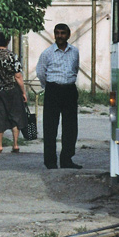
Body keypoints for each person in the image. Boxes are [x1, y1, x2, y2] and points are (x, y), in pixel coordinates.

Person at [35, 23, 81, 170]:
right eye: (57, 33)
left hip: (70, 91)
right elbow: (40, 72)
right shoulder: (47, 53)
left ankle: (67, 159)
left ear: (68, 35)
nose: (60, 36)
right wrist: (49, 87)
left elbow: (75, 68)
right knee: (50, 127)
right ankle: (50, 162)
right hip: (53, 91)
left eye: (63, 33)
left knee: (70, 127)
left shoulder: (75, 52)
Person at [0, 32, 28, 153]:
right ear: (8, 41)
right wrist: (23, 92)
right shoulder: (13, 56)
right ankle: (15, 144)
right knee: (15, 116)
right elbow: (18, 76)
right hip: (12, 90)